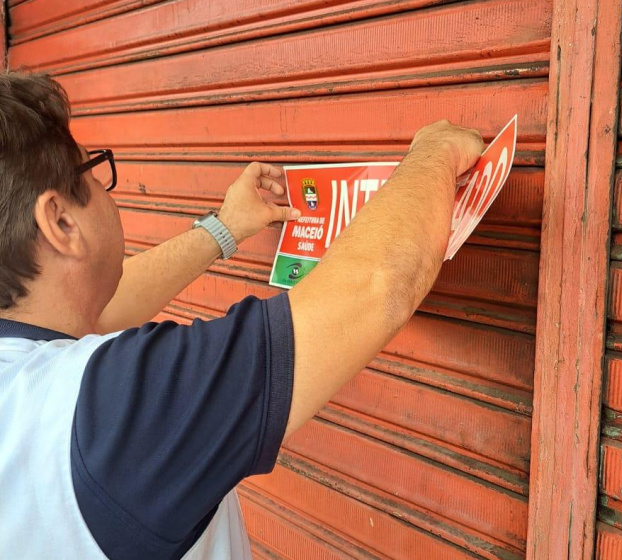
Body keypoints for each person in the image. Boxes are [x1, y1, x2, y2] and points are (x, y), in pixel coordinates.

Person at [0, 72, 484, 559]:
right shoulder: (107, 415)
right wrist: (434, 154)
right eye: (94, 171)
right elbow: (375, 288)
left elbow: (99, 307)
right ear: (61, 222)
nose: (108, 191)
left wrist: (225, 227)